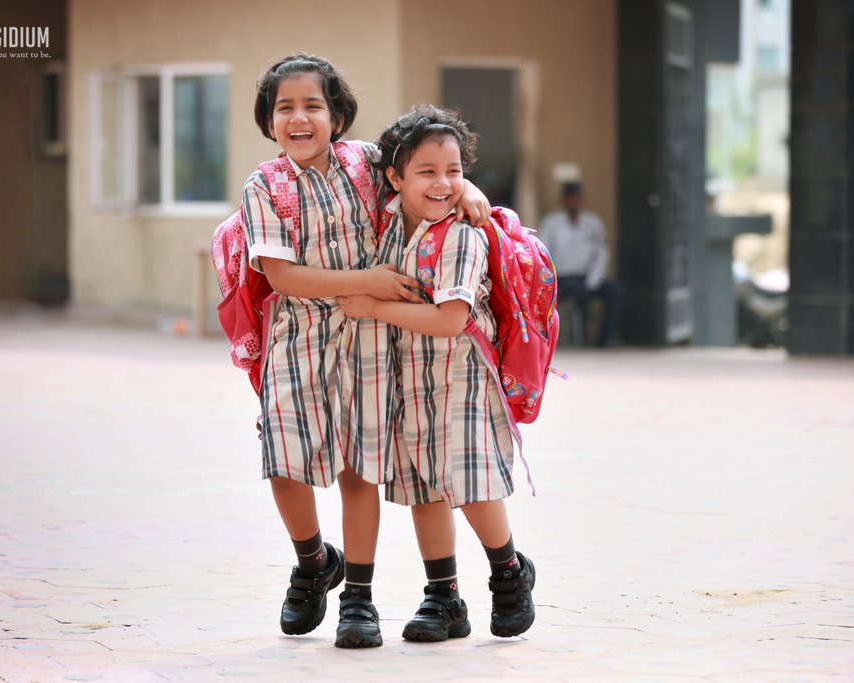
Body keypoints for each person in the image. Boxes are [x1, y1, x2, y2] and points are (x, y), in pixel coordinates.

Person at [243, 55, 489, 648]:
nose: (299, 118)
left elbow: (425, 170)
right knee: (283, 455)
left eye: (313, 106)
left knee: (358, 467)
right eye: (285, 108)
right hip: (297, 337)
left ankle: (358, 595)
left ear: (338, 115)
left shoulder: (365, 164)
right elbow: (282, 278)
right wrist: (366, 281)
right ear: (269, 120)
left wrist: (468, 185)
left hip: (366, 340)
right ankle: (311, 562)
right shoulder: (264, 186)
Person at [338, 105, 536, 642]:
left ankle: (509, 573)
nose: (443, 183)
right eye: (426, 171)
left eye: (454, 171)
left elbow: (451, 319)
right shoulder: (385, 222)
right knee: (425, 485)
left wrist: (372, 307)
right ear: (394, 179)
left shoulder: (461, 235)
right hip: (406, 376)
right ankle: (443, 595)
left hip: (462, 378)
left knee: (468, 483)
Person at [537, 182, 622, 346]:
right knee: (582, 294)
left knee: (615, 291)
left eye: (576, 198)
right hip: (563, 277)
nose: (573, 202)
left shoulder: (592, 223)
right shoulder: (552, 223)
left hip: (589, 276)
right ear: (563, 199)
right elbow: (543, 251)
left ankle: (606, 338)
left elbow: (601, 253)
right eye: (569, 198)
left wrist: (594, 278)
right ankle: (584, 340)